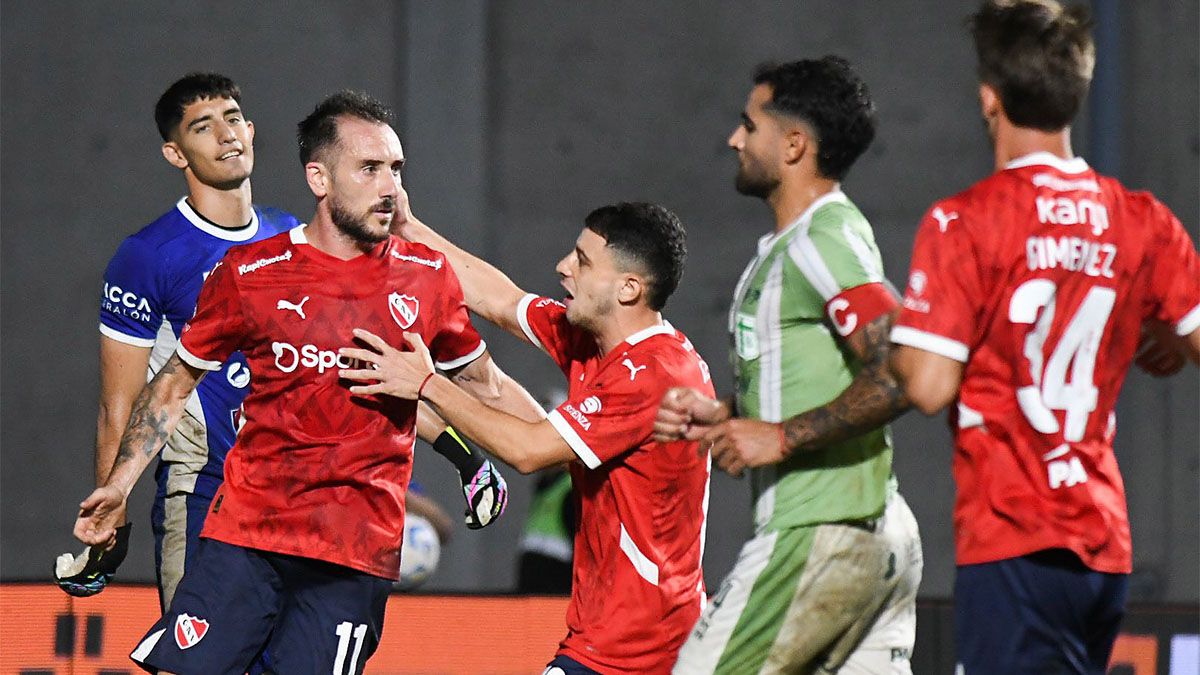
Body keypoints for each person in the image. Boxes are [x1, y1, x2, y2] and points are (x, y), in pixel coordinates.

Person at [71, 90, 542, 674]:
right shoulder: (250, 275)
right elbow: (171, 384)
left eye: (395, 169)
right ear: (319, 178)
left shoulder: (428, 280)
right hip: (247, 534)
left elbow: (485, 385)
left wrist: (574, 444)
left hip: (353, 552)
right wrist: (118, 486)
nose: (388, 186)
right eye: (368, 169)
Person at [888, 2, 1200, 673]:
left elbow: (928, 384)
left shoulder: (963, 223)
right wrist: (1166, 339)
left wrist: (899, 337)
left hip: (1014, 535)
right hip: (1101, 540)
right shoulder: (1141, 220)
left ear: (988, 98)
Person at [348, 201, 714, 673]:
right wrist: (409, 228)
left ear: (628, 287)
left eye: (582, 261)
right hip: (616, 634)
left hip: (639, 646)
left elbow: (528, 451)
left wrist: (425, 383)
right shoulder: (601, 340)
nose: (563, 267)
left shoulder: (655, 373)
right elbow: (500, 300)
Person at [654, 58, 922, 674]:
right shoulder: (800, 241)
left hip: (821, 529)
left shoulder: (820, 239)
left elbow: (902, 368)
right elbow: (820, 370)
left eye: (749, 125)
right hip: (870, 532)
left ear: (795, 144)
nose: (734, 140)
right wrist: (727, 414)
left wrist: (779, 436)